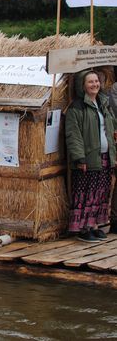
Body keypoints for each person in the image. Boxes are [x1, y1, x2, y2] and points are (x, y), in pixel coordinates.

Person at [65, 69, 117, 242]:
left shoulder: (103, 103)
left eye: (96, 81)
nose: (95, 84)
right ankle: (83, 229)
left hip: (104, 156)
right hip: (88, 157)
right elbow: (74, 134)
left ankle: (94, 226)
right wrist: (80, 158)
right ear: (83, 86)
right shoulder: (77, 107)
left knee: (100, 193)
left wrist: (113, 153)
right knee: (86, 193)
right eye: (90, 82)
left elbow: (109, 129)